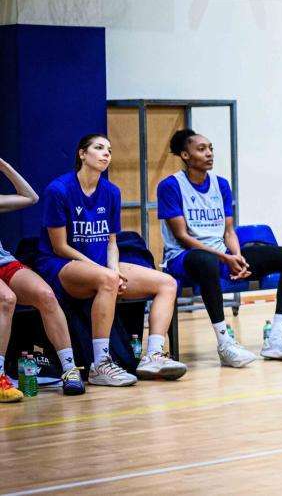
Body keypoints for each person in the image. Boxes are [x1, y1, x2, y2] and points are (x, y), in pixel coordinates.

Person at [36, 134, 187, 386]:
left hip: (101, 266)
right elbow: (60, 247)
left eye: (109, 149)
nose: (106, 153)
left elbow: (111, 242)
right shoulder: (59, 189)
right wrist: (105, 272)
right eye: (99, 148)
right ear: (82, 154)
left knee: (167, 283)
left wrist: (114, 269)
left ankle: (153, 355)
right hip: (61, 265)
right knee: (107, 279)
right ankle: (100, 365)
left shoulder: (111, 192)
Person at [158, 129, 282, 367]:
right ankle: (224, 343)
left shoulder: (221, 185)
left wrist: (237, 257)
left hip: (221, 254)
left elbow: (228, 231)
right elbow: (182, 236)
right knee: (206, 261)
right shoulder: (171, 186)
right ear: (185, 155)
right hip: (184, 257)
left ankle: (276, 338)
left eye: (210, 148)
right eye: (201, 149)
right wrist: (224, 258)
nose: (209, 153)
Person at [1, 157, 84, 400]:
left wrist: (4, 166)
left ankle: (69, 369)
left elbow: (30, 197)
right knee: (7, 298)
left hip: (3, 262)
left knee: (46, 295)